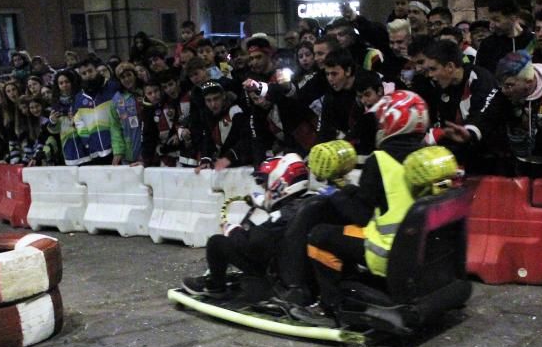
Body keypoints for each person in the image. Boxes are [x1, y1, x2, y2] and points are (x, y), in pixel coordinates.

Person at [295, 91, 434, 326]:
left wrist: (335, 194)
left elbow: (360, 216)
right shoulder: (429, 155)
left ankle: (329, 307)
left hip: (388, 250)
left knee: (319, 235)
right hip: (422, 248)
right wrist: (348, 191)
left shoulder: (380, 160)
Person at [447, 50, 542, 192]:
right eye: (502, 85)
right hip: (518, 165)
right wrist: (470, 131)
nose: (504, 91)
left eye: (510, 85)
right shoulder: (504, 92)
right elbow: (487, 113)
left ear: (529, 81)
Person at [182, 155, 310, 299]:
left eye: (265, 184)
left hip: (275, 272)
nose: (265, 188)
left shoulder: (281, 216)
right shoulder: (310, 204)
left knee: (217, 242)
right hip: (298, 270)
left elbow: (252, 246)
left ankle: (214, 285)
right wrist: (265, 204)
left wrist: (233, 230)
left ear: (281, 183)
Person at [420, 39, 498, 172]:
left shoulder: (480, 79)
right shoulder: (441, 86)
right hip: (462, 157)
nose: (430, 75)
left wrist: (469, 132)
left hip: (492, 158)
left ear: (450, 66)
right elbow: (445, 125)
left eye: (433, 69)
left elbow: (483, 115)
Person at [196, 80, 251, 170]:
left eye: (216, 98)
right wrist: (205, 159)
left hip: (240, 164)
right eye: (208, 100)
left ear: (224, 96)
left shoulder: (236, 111)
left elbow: (245, 139)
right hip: (221, 164)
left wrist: (228, 157)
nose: (213, 104)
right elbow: (207, 139)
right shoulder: (206, 115)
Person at [474, 0, 535, 75]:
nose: (492, 25)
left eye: (496, 20)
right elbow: (481, 75)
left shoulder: (533, 41)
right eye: (490, 20)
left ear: (513, 18)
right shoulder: (487, 45)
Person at [109, 61, 143, 165]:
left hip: (147, 149)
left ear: (135, 75)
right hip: (129, 153)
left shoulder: (145, 91)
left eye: (129, 75)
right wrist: (118, 151)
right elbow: (115, 127)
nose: (127, 79)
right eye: (123, 77)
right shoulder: (117, 99)